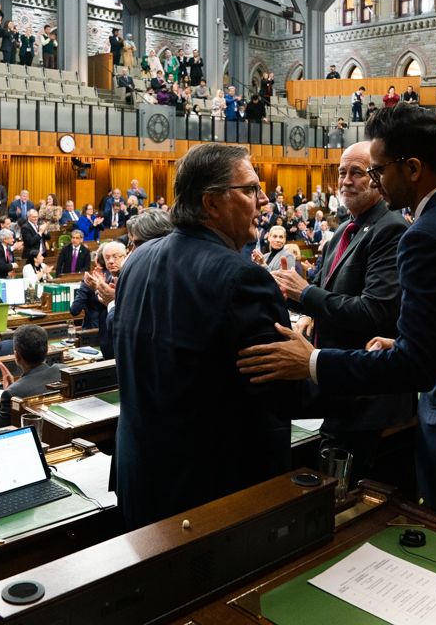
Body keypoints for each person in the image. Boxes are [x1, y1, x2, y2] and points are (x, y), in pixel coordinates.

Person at [236, 106, 436, 538]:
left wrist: (311, 362)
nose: (375, 179)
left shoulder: (425, 236)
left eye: (378, 169)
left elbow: (415, 367)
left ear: (413, 168)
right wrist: (402, 340)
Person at [112, 143, 305, 529]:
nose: (263, 200)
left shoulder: (137, 260)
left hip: (141, 478)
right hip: (212, 499)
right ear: (211, 203)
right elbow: (283, 392)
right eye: (250, 189)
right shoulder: (242, 278)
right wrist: (328, 367)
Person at [272, 141, 412, 480]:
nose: (346, 181)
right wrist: (286, 291)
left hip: (368, 395)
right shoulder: (343, 231)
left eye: (356, 173)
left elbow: (374, 311)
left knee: (350, 490)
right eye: (341, 173)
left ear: (376, 178)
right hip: (335, 387)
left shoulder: (391, 229)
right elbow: (318, 291)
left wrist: (305, 293)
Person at [0, 325, 58, 431]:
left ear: (17, 355)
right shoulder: (64, 372)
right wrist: (13, 387)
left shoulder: (12, 393)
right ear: (47, 349)